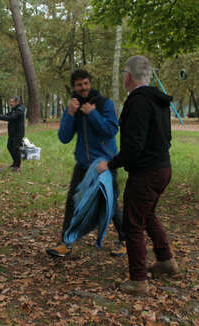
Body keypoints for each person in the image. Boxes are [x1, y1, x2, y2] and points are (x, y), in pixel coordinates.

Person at [97, 55, 180, 295]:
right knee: (148, 214)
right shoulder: (158, 100)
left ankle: (139, 280)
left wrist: (110, 164)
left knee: (133, 224)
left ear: (128, 76)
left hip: (146, 173)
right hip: (163, 168)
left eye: (124, 72)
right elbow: (166, 138)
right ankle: (166, 262)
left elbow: (133, 147)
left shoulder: (138, 102)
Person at [46, 69, 126, 258]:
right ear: (74, 87)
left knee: (110, 204)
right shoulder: (74, 106)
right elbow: (64, 137)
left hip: (105, 164)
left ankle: (125, 240)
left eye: (86, 83)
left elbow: (110, 131)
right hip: (83, 164)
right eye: (79, 85)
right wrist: (71, 114)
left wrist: (92, 114)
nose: (83, 88)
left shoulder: (104, 103)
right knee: (72, 203)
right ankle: (65, 243)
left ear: (90, 83)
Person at [0, 96, 25, 172]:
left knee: (16, 148)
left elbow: (11, 117)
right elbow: (8, 115)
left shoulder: (20, 110)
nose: (11, 103)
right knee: (9, 147)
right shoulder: (14, 108)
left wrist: (0, 117)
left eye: (12, 102)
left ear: (17, 102)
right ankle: (15, 163)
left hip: (18, 133)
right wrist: (0, 115)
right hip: (12, 132)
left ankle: (18, 166)